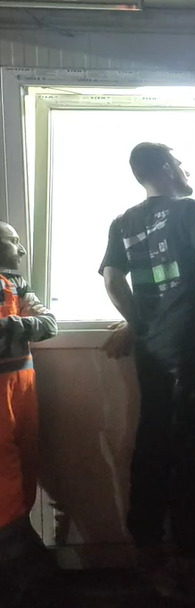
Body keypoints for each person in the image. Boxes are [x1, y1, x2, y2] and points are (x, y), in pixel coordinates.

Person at [100, 142, 195, 603]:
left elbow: (112, 281)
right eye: (178, 162)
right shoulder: (189, 211)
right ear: (164, 167)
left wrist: (139, 324)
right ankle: (185, 561)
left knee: (154, 446)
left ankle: (148, 552)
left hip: (153, 352)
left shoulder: (123, 222)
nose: (184, 169)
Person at [0, 221, 57, 607]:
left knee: (26, 468)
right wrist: (22, 327)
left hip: (24, 390)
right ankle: (27, 572)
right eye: (13, 242)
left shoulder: (18, 284)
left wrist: (9, 326)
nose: (21, 250)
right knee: (4, 476)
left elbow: (48, 324)